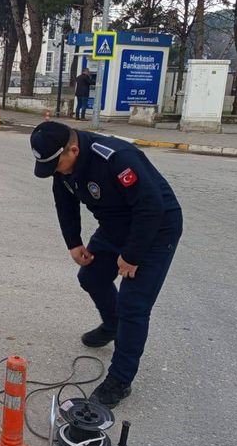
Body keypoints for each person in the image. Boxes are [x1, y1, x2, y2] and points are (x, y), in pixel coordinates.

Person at [30, 121, 182, 408]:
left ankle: (120, 380)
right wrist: (73, 242)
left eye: (57, 164)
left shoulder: (115, 158)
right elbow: (65, 203)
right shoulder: (62, 166)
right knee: (91, 277)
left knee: (133, 303)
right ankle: (112, 325)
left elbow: (151, 206)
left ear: (73, 150)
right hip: (115, 225)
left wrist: (133, 255)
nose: (55, 171)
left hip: (156, 227)